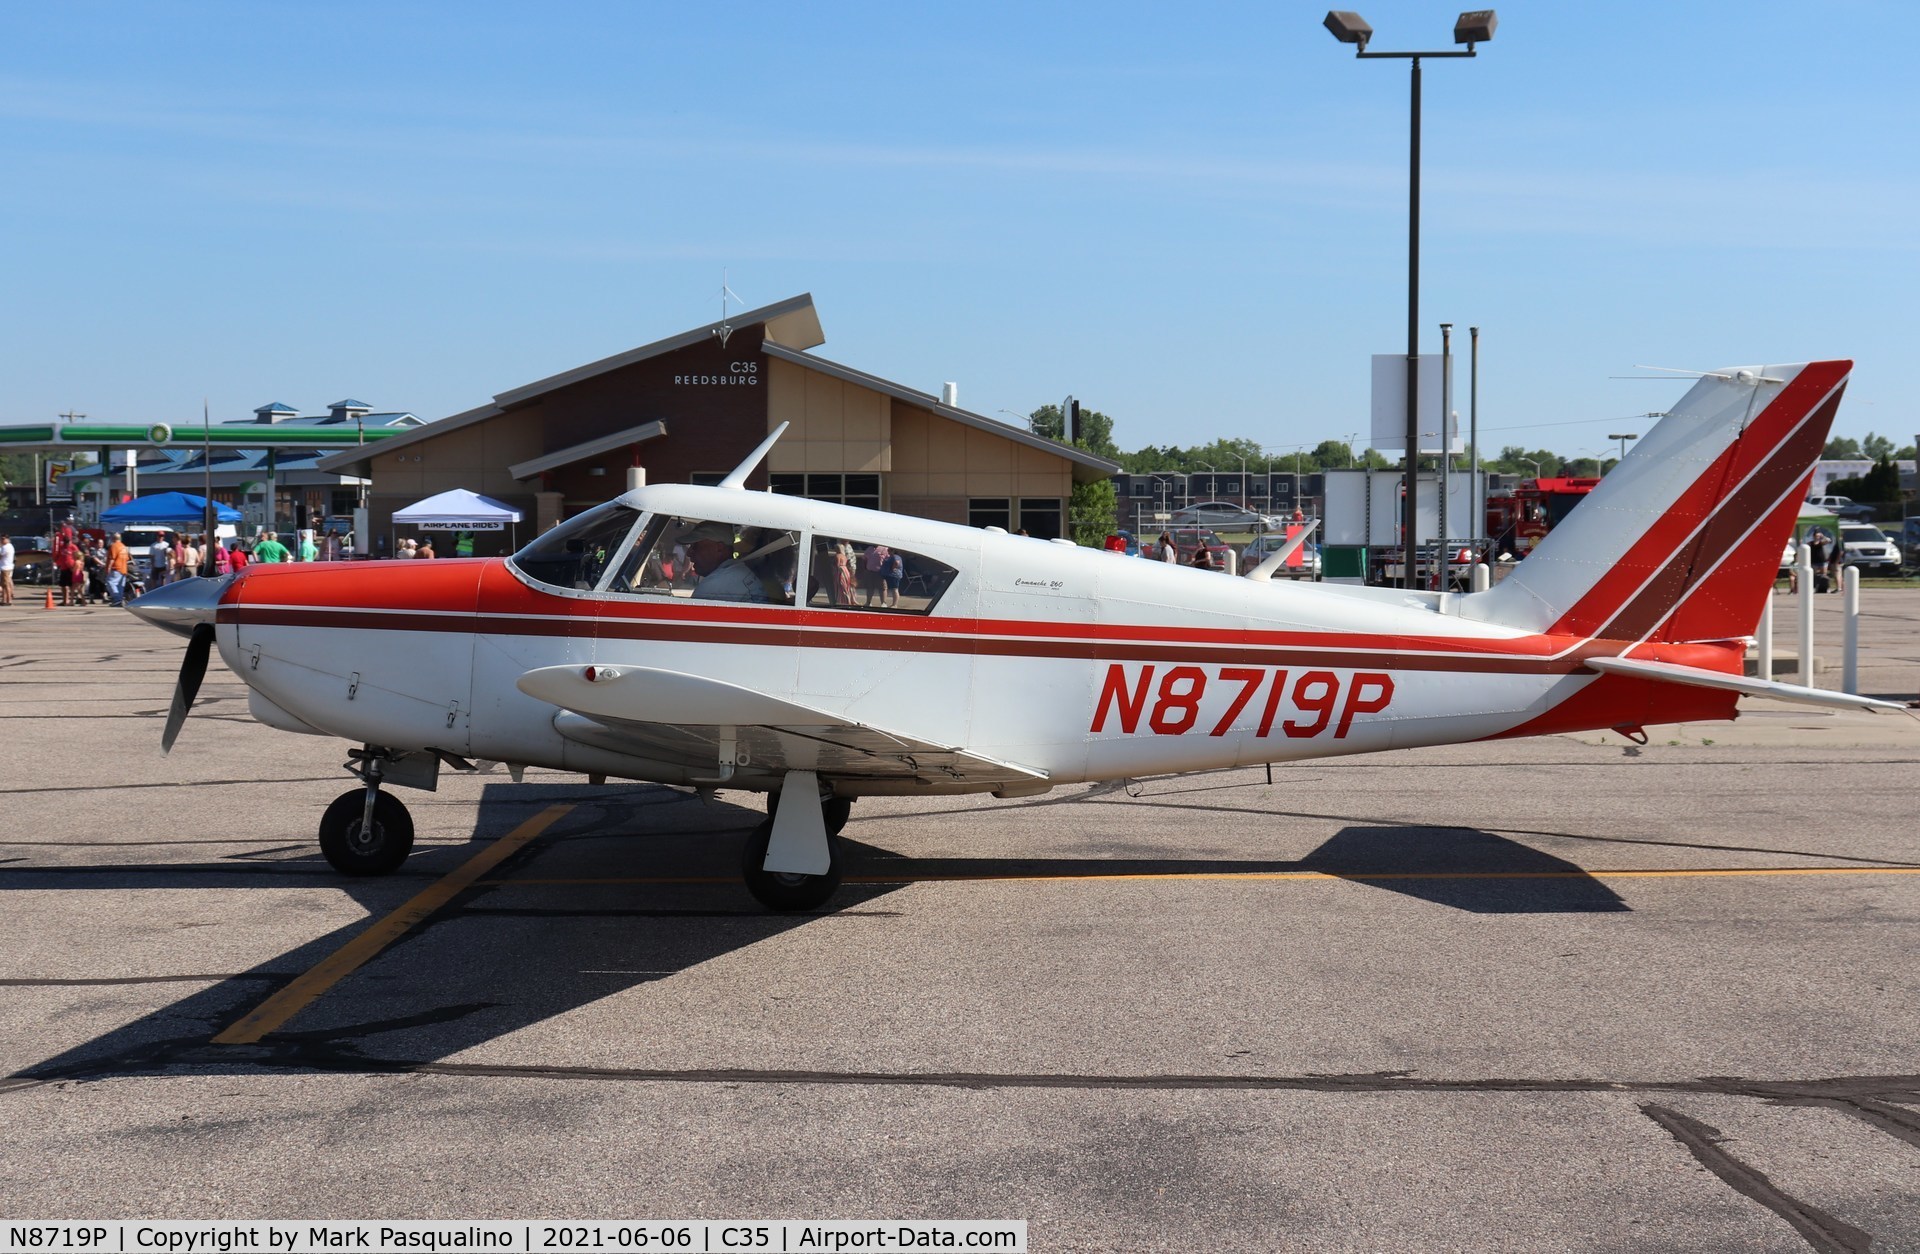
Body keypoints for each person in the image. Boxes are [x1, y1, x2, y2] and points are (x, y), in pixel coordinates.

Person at [106, 533, 129, 606]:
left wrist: (108, 567)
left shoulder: (114, 546)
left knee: (110, 582)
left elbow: (112, 558)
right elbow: (127, 558)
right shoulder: (124, 547)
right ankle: (119, 600)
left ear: (113, 538)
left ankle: (117, 599)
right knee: (120, 585)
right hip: (123, 568)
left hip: (116, 568)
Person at [0, 533, 14, 606]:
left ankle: (9, 600)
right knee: (4, 585)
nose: (2, 540)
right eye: (1, 539)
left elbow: (0, 556)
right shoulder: (7, 546)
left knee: (6, 585)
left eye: (3, 539)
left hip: (6, 568)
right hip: (5, 567)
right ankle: (4, 599)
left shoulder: (6, 547)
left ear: (7, 539)